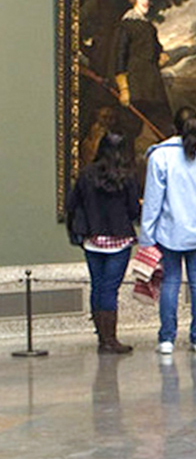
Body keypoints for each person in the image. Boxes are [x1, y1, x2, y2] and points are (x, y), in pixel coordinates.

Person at [140, 106, 196, 354]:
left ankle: (167, 339)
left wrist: (146, 238)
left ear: (173, 127)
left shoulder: (160, 156)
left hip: (170, 231)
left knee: (171, 283)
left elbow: (152, 201)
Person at [65, 132, 141, 354]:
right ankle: (110, 340)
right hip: (119, 239)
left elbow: (72, 203)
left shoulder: (86, 174)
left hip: (92, 239)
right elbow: (133, 210)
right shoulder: (127, 176)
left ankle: (102, 337)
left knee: (97, 286)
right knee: (110, 289)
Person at [112, 0, 174, 147]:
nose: (145, 1)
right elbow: (120, 57)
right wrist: (124, 89)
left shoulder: (149, 27)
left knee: (165, 126)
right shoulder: (126, 25)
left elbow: (156, 48)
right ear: (133, 0)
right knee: (129, 129)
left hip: (153, 85)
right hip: (136, 85)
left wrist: (160, 55)